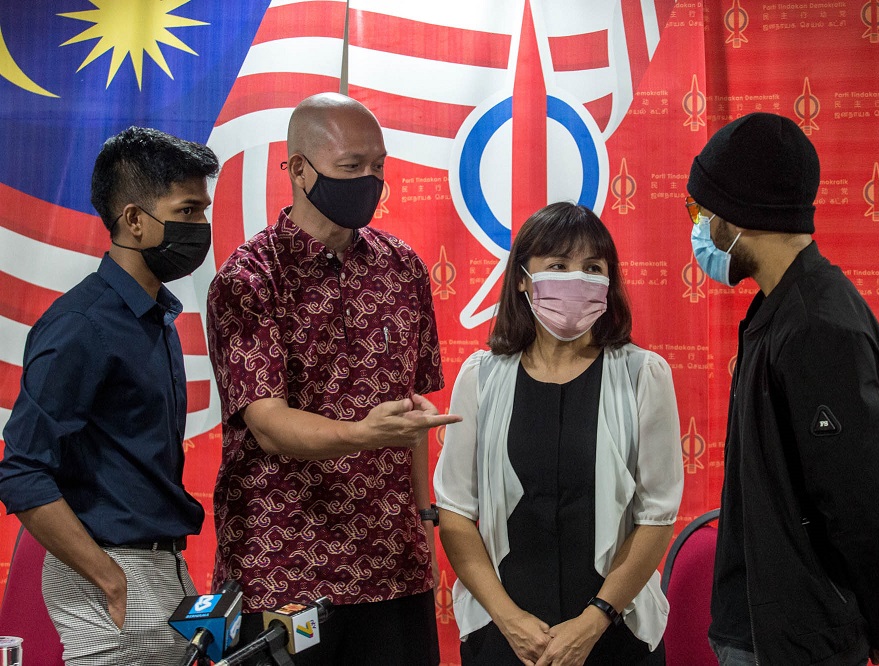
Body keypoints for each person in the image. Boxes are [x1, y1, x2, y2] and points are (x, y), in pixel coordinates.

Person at [206, 92, 459, 664]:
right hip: (284, 567)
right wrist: (357, 435)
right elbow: (267, 424)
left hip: (392, 564)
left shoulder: (402, 266)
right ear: (298, 169)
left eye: (378, 167)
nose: (369, 180)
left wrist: (424, 523)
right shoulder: (249, 278)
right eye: (351, 168)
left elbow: (409, 415)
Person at [685, 112, 879, 666]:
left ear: (743, 213)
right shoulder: (781, 313)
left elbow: (865, 502)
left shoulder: (815, 328)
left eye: (701, 211)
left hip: (794, 642)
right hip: (765, 625)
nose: (698, 228)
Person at [0, 126, 217, 664]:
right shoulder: (82, 325)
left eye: (203, 211)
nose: (200, 227)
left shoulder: (153, 317)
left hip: (163, 568)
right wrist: (110, 578)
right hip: (110, 572)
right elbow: (22, 472)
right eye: (187, 211)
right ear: (134, 220)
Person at [434, 202, 684, 666]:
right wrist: (508, 618)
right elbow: (454, 512)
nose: (577, 279)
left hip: (615, 630)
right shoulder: (480, 377)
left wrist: (595, 621)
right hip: (505, 633)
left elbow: (657, 515)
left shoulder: (642, 374)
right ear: (524, 278)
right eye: (558, 265)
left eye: (593, 267)